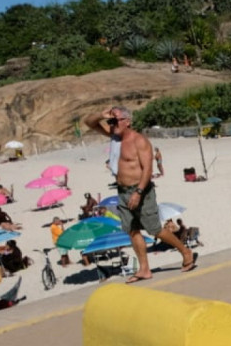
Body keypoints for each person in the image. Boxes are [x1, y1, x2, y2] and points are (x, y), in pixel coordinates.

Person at [83, 105, 196, 282]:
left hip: (141, 191)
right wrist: (101, 115)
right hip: (122, 192)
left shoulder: (140, 141)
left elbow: (147, 170)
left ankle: (185, 251)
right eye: (110, 121)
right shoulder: (114, 137)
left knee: (154, 229)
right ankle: (144, 269)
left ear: (127, 121)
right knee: (132, 230)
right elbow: (88, 122)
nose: (112, 124)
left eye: (116, 120)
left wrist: (138, 193)